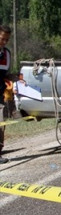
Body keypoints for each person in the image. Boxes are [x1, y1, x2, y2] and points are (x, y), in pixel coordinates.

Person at [0, 24, 11, 163]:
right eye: (2, 38)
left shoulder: (6, 54)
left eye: (6, 40)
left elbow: (6, 74)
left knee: (1, 125)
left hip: (0, 95)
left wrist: (19, 80)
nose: (4, 42)